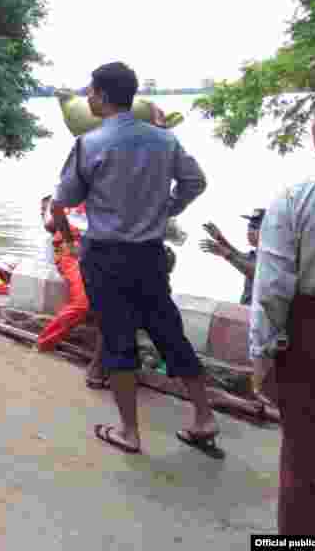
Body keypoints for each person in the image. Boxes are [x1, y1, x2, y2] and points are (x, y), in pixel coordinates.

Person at [51, 62, 220, 459]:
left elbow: (64, 200)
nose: (87, 97)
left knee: (117, 338)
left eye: (91, 91)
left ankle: (130, 432)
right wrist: (165, 210)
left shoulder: (89, 144)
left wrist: (66, 227)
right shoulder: (164, 140)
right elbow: (196, 181)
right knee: (169, 332)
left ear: (105, 96)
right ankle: (204, 416)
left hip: (106, 255)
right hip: (150, 255)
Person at [250, 78, 315, 533]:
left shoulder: (300, 191)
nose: (311, 127)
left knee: (309, 477)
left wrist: (263, 357)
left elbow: (272, 290)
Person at [35, 195, 107, 387]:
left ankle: (106, 361)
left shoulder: (111, 197)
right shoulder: (69, 195)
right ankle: (45, 341)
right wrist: (51, 211)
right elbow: (50, 225)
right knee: (84, 302)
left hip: (102, 250)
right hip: (71, 249)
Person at [200, 210, 263, 305]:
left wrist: (226, 254)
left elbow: (256, 273)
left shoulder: (272, 255)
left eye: (254, 227)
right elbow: (241, 257)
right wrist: (219, 238)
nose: (249, 231)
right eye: (249, 226)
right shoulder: (257, 253)